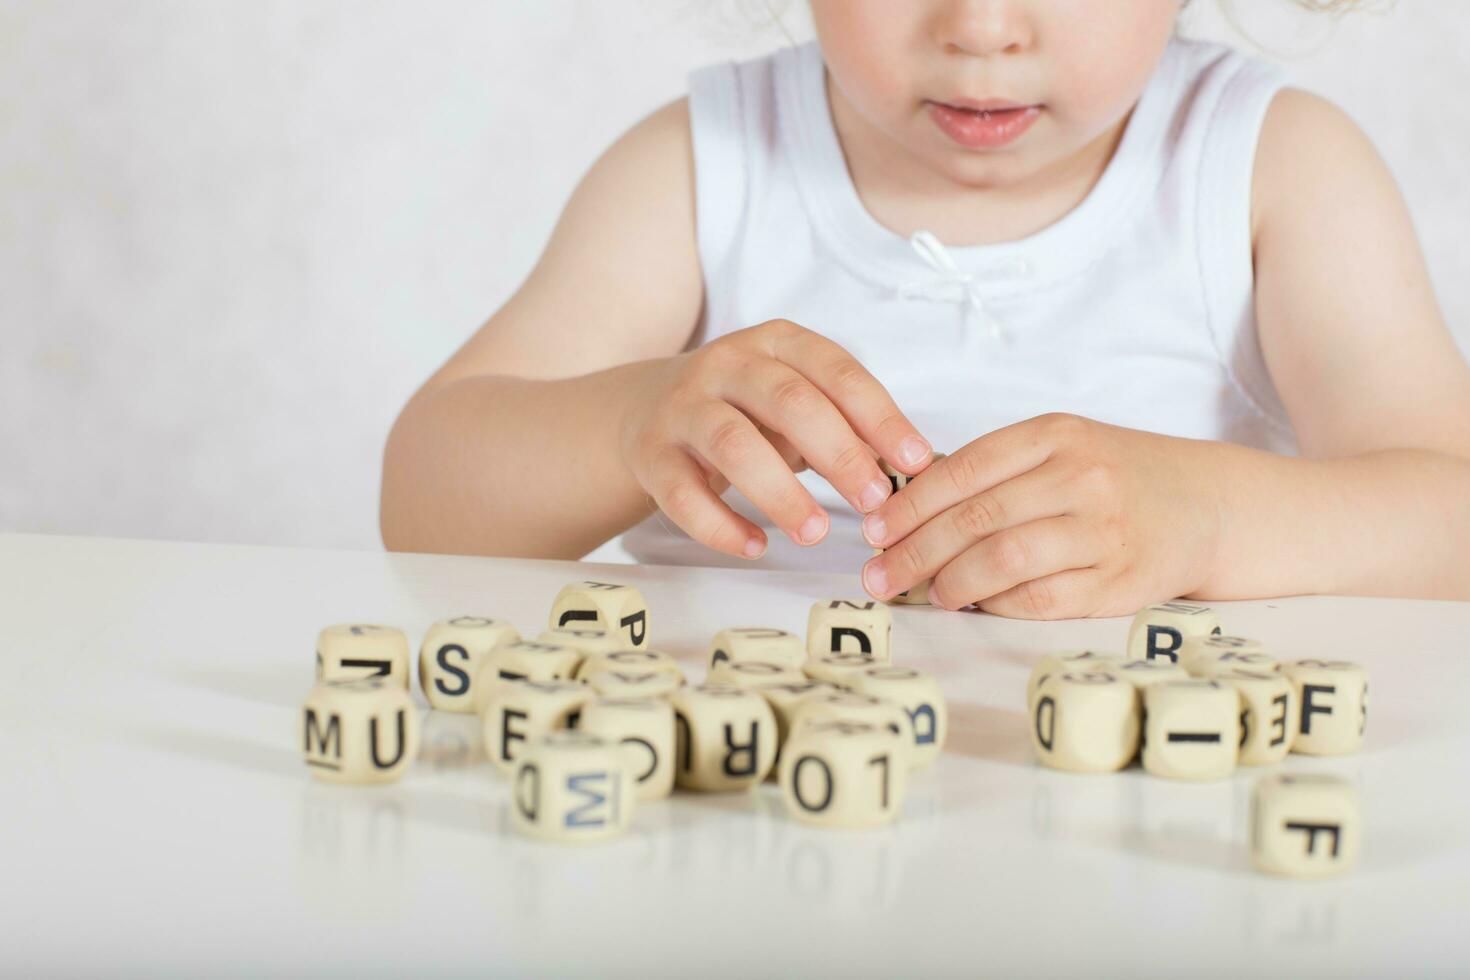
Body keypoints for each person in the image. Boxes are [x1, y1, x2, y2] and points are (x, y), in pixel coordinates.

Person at [380, 0, 1470, 617]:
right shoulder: (705, 165)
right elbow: (425, 496)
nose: (983, 26)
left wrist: (1213, 519)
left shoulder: (1271, 166)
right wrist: (628, 424)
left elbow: (1451, 516)